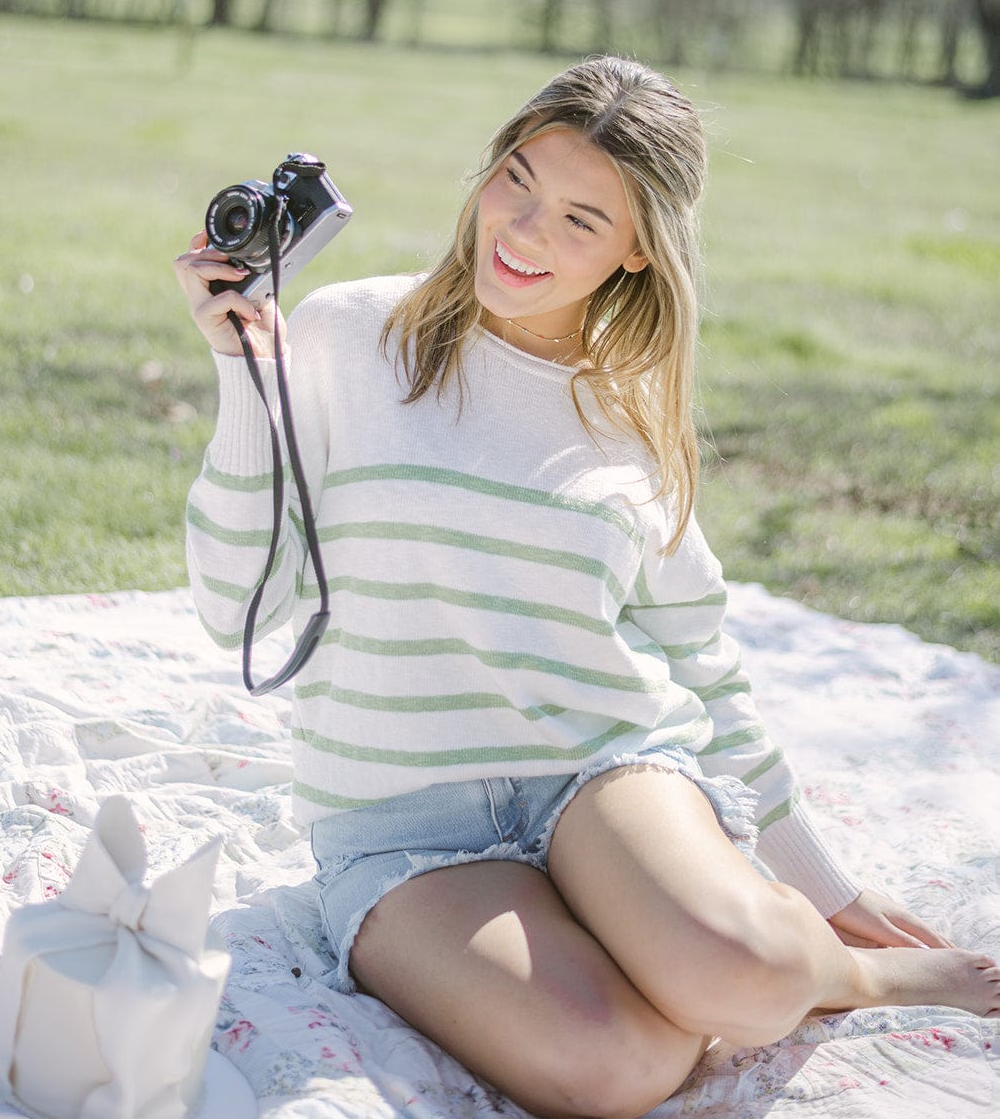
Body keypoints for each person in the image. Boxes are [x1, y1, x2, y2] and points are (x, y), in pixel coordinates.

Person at [175, 56, 999, 1119]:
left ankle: (850, 977)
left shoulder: (631, 415)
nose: (521, 233)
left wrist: (832, 896)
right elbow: (232, 605)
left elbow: (704, 659)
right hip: (399, 825)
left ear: (639, 251)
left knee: (750, 979)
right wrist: (245, 373)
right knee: (615, 1065)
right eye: (516, 180)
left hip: (600, 776)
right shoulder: (342, 335)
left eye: (579, 219)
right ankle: (662, 942)